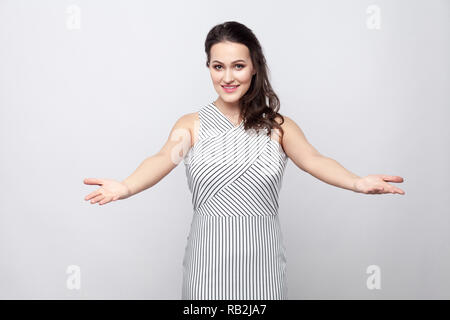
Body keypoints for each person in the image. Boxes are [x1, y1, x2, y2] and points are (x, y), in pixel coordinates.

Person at [83, 21, 405, 300]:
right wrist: (124, 187)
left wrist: (357, 182)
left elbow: (314, 159)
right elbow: (161, 159)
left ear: (254, 67)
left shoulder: (279, 127)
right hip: (206, 266)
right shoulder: (192, 125)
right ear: (208, 67)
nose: (228, 77)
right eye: (217, 66)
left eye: (238, 66)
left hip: (263, 266)